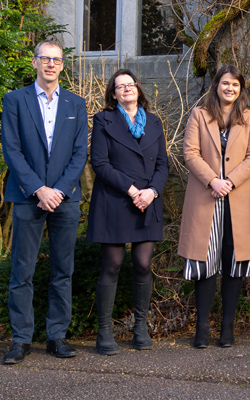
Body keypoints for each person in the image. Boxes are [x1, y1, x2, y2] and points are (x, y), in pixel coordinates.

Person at [1, 40, 89, 364]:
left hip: (65, 199)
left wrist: (59, 190)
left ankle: (57, 336)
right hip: (27, 197)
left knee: (62, 270)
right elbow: (12, 150)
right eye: (45, 58)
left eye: (56, 59)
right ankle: (21, 340)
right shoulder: (15, 100)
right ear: (35, 62)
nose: (51, 64)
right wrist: (39, 189)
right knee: (21, 272)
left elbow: (80, 153)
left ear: (62, 65)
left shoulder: (76, 104)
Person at [178, 65, 250, 349]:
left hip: (237, 201)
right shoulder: (200, 115)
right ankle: (202, 327)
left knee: (233, 263)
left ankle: (228, 327)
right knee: (204, 263)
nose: (230, 89)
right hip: (206, 198)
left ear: (241, 89)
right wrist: (213, 180)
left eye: (235, 85)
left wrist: (230, 181)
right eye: (225, 83)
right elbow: (190, 153)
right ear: (216, 85)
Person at [86, 69, 169, 355]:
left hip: (147, 201)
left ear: (138, 88)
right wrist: (133, 190)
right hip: (115, 199)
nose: (126, 89)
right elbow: (99, 162)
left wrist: (151, 192)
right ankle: (105, 332)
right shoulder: (103, 120)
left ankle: (140, 328)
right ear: (113, 94)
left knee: (144, 264)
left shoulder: (155, 122)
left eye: (130, 84)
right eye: (120, 86)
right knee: (112, 265)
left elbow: (162, 165)